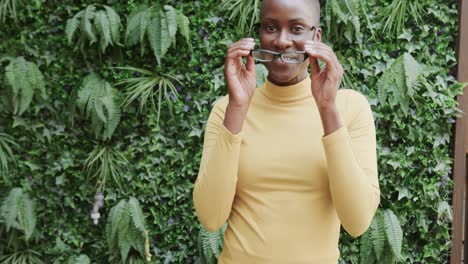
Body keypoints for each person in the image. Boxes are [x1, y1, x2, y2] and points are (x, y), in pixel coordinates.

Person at [193, 0, 380, 263]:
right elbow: (210, 217)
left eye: (296, 28)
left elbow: (357, 221)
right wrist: (237, 107)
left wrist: (327, 108)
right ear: (259, 35)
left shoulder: (350, 108)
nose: (281, 41)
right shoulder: (227, 109)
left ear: (316, 37)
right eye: (271, 27)